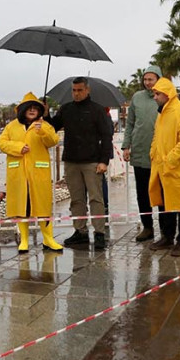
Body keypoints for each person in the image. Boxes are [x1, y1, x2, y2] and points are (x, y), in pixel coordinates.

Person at [46, 77, 114, 250]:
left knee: (96, 199)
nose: (76, 93)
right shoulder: (66, 109)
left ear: (87, 90)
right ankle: (80, 232)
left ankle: (99, 233)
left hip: (92, 162)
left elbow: (107, 137)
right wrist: (46, 115)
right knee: (76, 200)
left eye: (79, 90)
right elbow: (52, 127)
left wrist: (104, 161)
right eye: (74, 90)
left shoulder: (98, 110)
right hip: (71, 162)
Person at [0, 93, 64, 252]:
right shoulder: (11, 126)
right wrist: (18, 148)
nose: (33, 110)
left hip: (38, 173)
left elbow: (53, 141)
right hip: (18, 174)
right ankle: (24, 240)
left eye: (36, 108)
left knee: (42, 206)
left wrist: (43, 132)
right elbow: (2, 143)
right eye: (30, 108)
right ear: (23, 110)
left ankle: (48, 239)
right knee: (22, 206)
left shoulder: (44, 125)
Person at [146, 78, 180, 256]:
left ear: (167, 94)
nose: (154, 97)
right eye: (154, 94)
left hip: (179, 170)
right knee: (165, 204)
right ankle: (167, 237)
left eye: (157, 94)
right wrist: (153, 153)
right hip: (163, 169)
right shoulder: (162, 113)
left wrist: (169, 160)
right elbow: (157, 137)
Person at [121, 65, 164, 242]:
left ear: (158, 79)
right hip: (139, 152)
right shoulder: (137, 98)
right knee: (142, 193)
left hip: (160, 155)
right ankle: (147, 227)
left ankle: (165, 230)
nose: (147, 83)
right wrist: (126, 146)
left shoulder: (164, 97)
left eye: (150, 79)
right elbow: (130, 124)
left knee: (162, 193)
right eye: (145, 79)